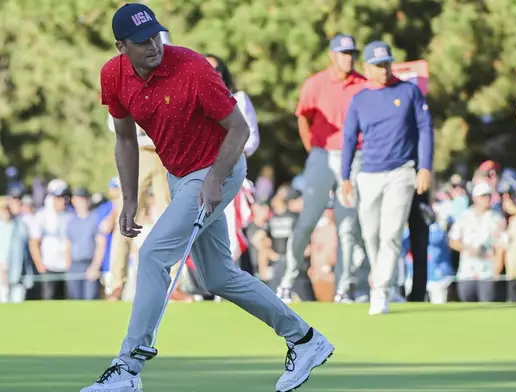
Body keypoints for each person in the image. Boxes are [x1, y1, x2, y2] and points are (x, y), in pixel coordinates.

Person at [82, 4, 334, 392]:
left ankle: (127, 368)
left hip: (219, 168)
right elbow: (125, 138)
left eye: (154, 35)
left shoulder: (192, 67)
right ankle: (305, 340)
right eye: (140, 41)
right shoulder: (113, 76)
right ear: (121, 47)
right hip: (180, 176)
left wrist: (216, 179)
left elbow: (239, 128)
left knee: (153, 255)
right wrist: (130, 199)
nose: (152, 45)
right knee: (218, 276)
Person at [340, 40, 433, 314]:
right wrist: (345, 176)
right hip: (368, 173)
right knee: (370, 234)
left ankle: (380, 290)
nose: (384, 70)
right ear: (367, 67)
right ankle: (384, 282)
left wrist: (424, 167)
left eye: (387, 64)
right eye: (378, 66)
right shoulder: (359, 99)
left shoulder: (409, 92)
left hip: (402, 172)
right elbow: (348, 139)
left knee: (391, 232)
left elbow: (425, 129)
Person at [278, 34, 368, 303]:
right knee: (307, 221)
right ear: (332, 55)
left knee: (348, 225)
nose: (348, 57)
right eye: (343, 53)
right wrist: (313, 150)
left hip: (354, 159)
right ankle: (288, 278)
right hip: (321, 154)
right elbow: (302, 118)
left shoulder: (364, 85)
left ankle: (344, 287)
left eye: (352, 52)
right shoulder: (315, 84)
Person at [204, 54, 259, 272]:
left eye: (216, 69)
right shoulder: (195, 101)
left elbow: (252, 138)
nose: (212, 74)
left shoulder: (239, 99)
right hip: (203, 174)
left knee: (233, 229)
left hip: (232, 173)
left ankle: (233, 279)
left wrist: (229, 151)